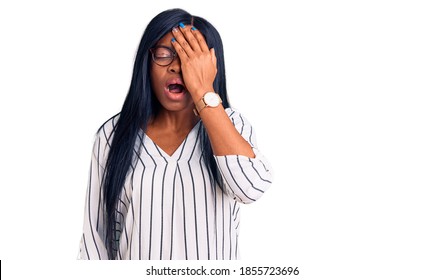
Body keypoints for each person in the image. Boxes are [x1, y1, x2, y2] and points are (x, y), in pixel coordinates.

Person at [78, 8, 273, 260]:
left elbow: (251, 188)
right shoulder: (112, 135)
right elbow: (96, 239)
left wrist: (203, 90)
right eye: (164, 54)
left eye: (191, 57)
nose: (177, 67)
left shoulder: (232, 125)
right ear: (147, 62)